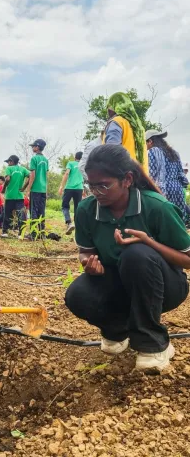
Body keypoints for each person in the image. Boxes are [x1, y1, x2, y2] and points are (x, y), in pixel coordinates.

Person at [65, 144, 190, 372]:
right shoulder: (86, 210)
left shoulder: (156, 208)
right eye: (91, 185)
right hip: (119, 282)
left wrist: (149, 243)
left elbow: (188, 260)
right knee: (77, 295)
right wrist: (89, 262)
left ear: (127, 180)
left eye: (104, 185)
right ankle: (117, 330)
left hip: (165, 287)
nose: (96, 192)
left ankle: (154, 345)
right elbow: (86, 250)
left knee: (136, 255)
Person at [146, 129, 189, 221]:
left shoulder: (153, 151)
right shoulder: (174, 153)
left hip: (163, 190)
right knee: (178, 220)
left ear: (150, 141)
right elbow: (182, 177)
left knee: (165, 220)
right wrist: (179, 187)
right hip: (178, 190)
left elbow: (152, 175)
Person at [104, 92, 148, 173]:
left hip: (122, 176)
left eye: (108, 108)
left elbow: (111, 151)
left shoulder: (117, 122)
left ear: (111, 108)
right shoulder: (138, 127)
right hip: (140, 176)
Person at [23, 139, 49, 239]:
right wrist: (46, 191)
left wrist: (28, 189)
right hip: (42, 189)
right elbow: (46, 177)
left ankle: (33, 234)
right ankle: (42, 234)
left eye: (33, 146)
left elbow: (32, 175)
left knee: (33, 210)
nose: (32, 148)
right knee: (42, 211)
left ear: (37, 147)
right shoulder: (46, 160)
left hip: (35, 189)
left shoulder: (34, 159)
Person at [1, 155, 30, 238]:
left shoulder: (9, 169)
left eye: (8, 162)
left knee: (7, 214)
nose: (8, 164)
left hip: (10, 196)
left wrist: (3, 189)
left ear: (11, 161)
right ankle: (21, 233)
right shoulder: (23, 169)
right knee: (21, 214)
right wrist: (24, 187)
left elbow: (7, 179)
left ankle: (5, 232)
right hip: (20, 196)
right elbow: (31, 176)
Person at [58, 152, 84, 235]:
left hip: (69, 188)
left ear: (75, 157)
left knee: (65, 206)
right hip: (79, 188)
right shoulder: (83, 165)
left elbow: (66, 173)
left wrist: (61, 186)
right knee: (77, 207)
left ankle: (69, 223)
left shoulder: (71, 163)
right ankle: (78, 226)